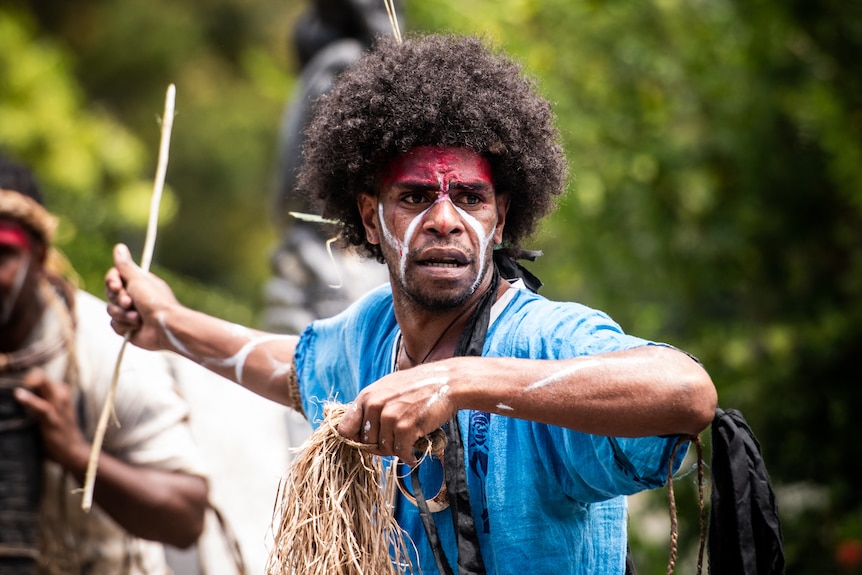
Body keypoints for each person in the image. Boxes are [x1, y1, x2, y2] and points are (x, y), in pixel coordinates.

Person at [105, 34, 718, 575]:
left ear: (502, 219)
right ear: (371, 218)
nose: (445, 221)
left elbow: (689, 393)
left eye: (472, 198)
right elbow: (293, 368)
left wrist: (458, 381)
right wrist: (167, 323)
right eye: (416, 196)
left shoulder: (544, 338)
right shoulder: (370, 334)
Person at [0, 154, 210, 574]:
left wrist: (77, 454)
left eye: (2, 253)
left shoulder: (110, 350)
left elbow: (187, 516)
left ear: (39, 256)